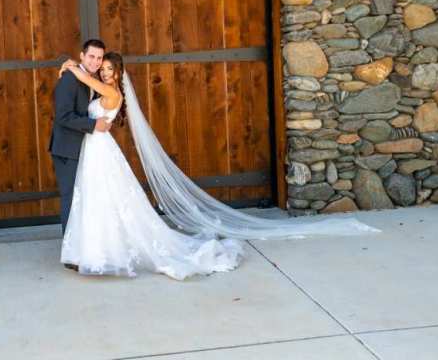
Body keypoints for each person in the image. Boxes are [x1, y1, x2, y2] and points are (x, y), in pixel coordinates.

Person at [57, 52, 379, 281]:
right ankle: (96, 249)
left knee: (112, 200)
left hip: (101, 149)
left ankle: (107, 251)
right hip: (95, 150)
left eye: (110, 68)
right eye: (104, 67)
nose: (105, 72)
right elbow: (85, 91)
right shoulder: (97, 84)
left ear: (118, 74)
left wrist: (72, 67)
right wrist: (74, 68)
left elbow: (89, 82)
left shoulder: (110, 92)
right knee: (100, 201)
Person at [48, 39, 112, 269]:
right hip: (67, 149)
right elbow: (63, 117)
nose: (95, 61)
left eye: (99, 58)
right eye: (91, 57)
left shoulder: (89, 77)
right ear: (82, 56)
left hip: (83, 148)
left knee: (82, 199)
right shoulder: (69, 80)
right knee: (70, 199)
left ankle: (81, 247)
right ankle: (70, 255)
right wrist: (93, 125)